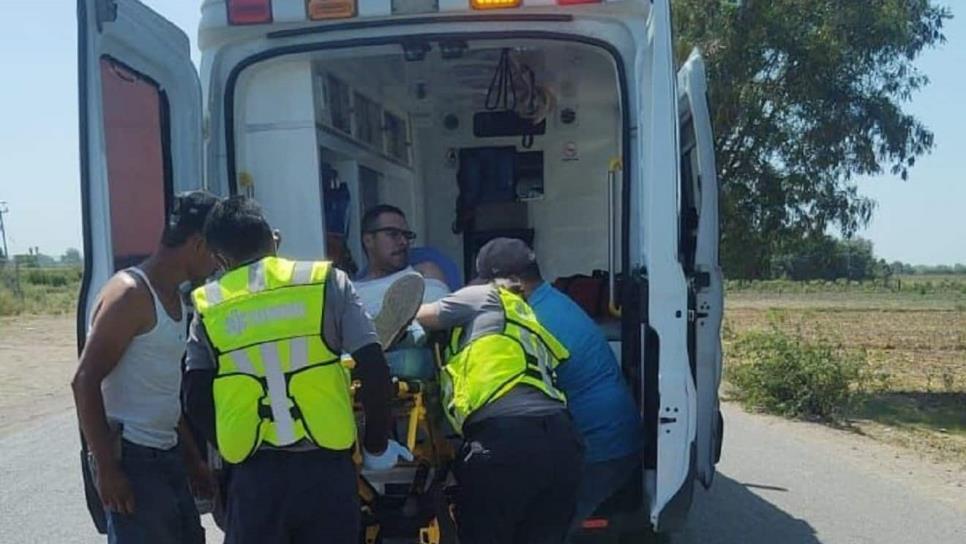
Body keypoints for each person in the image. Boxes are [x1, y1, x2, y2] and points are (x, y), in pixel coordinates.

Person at [182, 196, 419, 544]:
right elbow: (373, 369)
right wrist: (375, 444)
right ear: (272, 239)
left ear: (219, 259)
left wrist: (231, 445)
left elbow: (195, 397)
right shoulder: (326, 281)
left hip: (254, 476)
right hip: (325, 471)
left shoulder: (209, 305)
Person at [71, 191, 219, 544]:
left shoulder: (177, 301)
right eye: (216, 253)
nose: (217, 264)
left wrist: (193, 459)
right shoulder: (131, 294)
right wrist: (106, 469)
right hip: (134, 463)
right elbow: (84, 381)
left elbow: (162, 394)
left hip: (166, 458)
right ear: (198, 244)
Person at [474, 238, 643, 533]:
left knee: (538, 531)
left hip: (601, 451)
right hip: (610, 441)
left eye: (489, 287)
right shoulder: (549, 300)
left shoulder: (536, 322)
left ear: (513, 283)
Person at [414, 252, 584, 544]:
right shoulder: (525, 316)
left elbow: (417, 314)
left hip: (508, 443)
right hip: (562, 443)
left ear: (482, 278)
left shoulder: (483, 295)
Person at [355, 204, 451, 319]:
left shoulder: (424, 272)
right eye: (393, 234)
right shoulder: (351, 292)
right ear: (368, 240)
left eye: (407, 235)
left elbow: (441, 314)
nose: (404, 242)